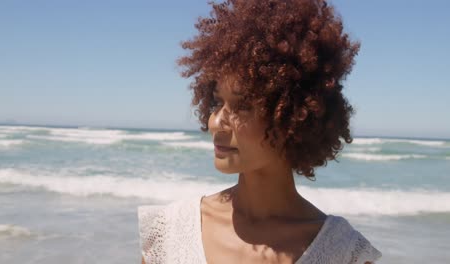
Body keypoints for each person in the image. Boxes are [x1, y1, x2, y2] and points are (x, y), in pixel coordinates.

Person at [138, 0, 382, 263]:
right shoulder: (170, 233)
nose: (216, 122)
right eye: (217, 103)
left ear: (293, 116)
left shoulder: (343, 253)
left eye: (242, 106)